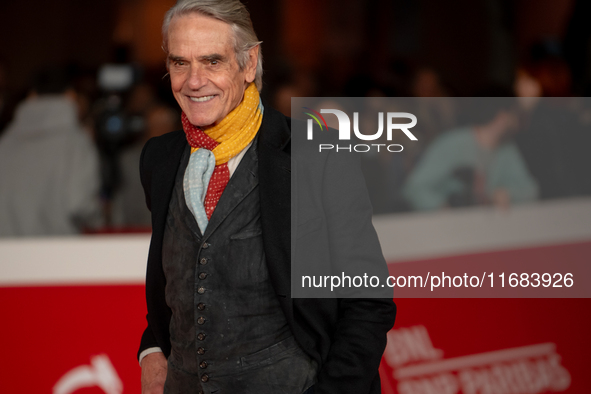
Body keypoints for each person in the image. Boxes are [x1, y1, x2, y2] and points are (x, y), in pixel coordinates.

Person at [137, 1, 396, 393]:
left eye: (212, 61)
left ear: (248, 62)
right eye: (179, 63)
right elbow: (181, 280)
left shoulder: (317, 156)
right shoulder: (160, 159)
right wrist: (152, 348)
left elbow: (367, 302)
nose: (193, 81)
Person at [0, 67, 102, 236]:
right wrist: (100, 220)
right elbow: (80, 204)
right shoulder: (75, 142)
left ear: (32, 95)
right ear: (71, 96)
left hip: (8, 255)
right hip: (57, 253)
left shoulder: (6, 141)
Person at [403, 96, 539, 211]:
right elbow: (415, 188)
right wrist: (441, 207)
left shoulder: (507, 149)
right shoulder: (451, 144)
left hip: (487, 228)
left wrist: (508, 195)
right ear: (502, 117)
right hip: (444, 230)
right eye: (514, 115)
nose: (518, 122)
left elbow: (531, 190)